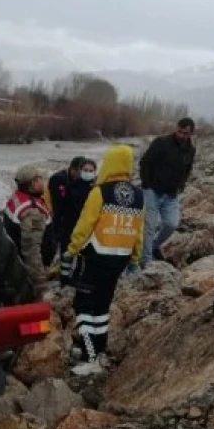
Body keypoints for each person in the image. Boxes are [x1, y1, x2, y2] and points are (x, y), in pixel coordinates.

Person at [59, 144, 144, 375]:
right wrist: (135, 259)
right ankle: (98, 348)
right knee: (102, 306)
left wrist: (71, 250)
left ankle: (90, 358)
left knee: (84, 306)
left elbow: (85, 226)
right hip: (119, 261)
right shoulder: (138, 195)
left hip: (95, 258)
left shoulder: (100, 192)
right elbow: (139, 231)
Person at [138, 117, 196, 266]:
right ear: (176, 128)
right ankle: (146, 261)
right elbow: (145, 162)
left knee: (171, 224)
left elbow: (188, 169)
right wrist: (146, 183)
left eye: (185, 133)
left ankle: (154, 246)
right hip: (153, 191)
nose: (181, 135)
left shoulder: (190, 149)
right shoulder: (161, 143)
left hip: (171, 195)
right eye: (179, 131)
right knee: (149, 226)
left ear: (191, 134)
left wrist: (181, 185)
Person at [3, 164, 54, 297]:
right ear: (33, 183)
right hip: (28, 270)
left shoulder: (17, 197)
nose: (43, 182)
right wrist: (41, 285)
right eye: (40, 179)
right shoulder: (31, 211)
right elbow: (31, 251)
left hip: (16, 261)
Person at [50, 157, 98, 265]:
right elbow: (61, 208)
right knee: (67, 255)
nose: (88, 173)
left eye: (91, 171)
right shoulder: (71, 187)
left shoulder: (97, 189)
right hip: (70, 227)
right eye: (85, 170)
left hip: (89, 229)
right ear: (80, 170)